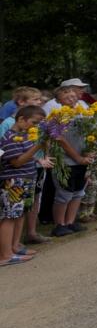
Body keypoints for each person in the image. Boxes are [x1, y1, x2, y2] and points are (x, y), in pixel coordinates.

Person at [0, 105, 50, 265]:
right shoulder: (10, 138)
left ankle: (14, 246)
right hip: (14, 181)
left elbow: (26, 157)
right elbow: (16, 162)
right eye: (34, 123)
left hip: (26, 179)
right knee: (10, 216)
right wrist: (37, 146)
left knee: (20, 214)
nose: (35, 127)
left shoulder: (22, 136)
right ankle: (5, 254)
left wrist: (40, 155)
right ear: (21, 119)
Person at [51, 87, 93, 237]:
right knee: (64, 193)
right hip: (66, 161)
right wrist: (77, 157)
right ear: (58, 101)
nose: (71, 99)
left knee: (78, 192)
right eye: (66, 97)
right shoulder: (58, 117)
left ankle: (70, 221)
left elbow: (91, 132)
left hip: (82, 160)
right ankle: (59, 224)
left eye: (73, 96)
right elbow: (60, 140)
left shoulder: (83, 114)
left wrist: (90, 149)